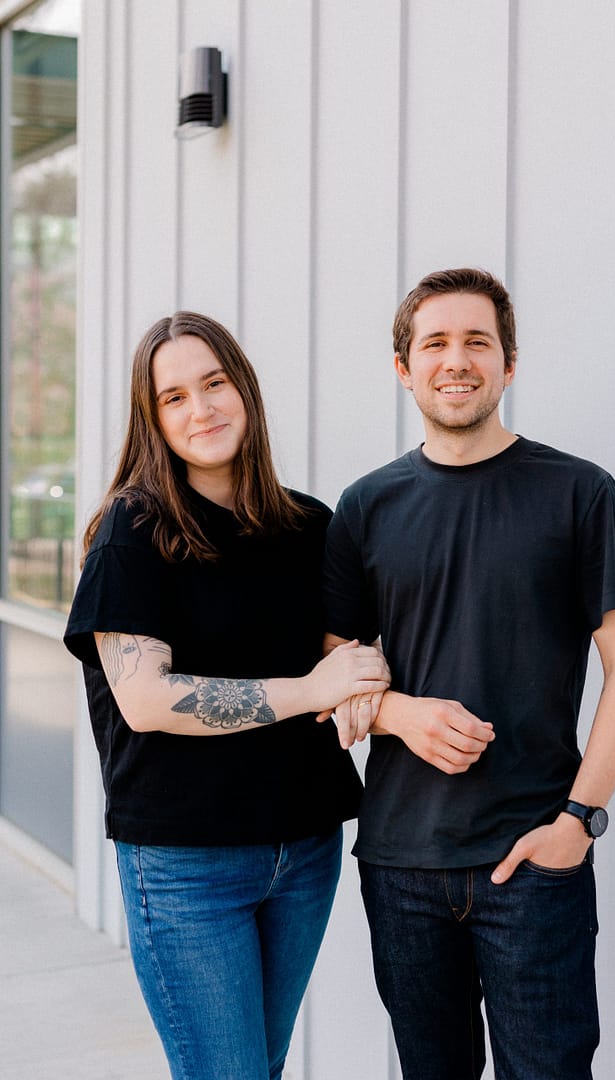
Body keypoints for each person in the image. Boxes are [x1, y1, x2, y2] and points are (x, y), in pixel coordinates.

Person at [322, 268, 615, 1080]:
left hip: (534, 862)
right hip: (401, 863)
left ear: (511, 362)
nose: (457, 359)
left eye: (478, 341)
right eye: (434, 342)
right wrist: (400, 714)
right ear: (404, 367)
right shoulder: (366, 506)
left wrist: (578, 821)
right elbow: (334, 672)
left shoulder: (579, 493)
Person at [64, 311, 390, 1080]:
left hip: (305, 846)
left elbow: (349, 661)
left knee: (261, 1067)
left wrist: (361, 683)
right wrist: (314, 688)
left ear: (244, 389)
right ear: (154, 420)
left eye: (213, 384)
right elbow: (145, 698)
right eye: (173, 397)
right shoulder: (132, 531)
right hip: (186, 862)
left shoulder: (311, 525)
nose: (201, 409)